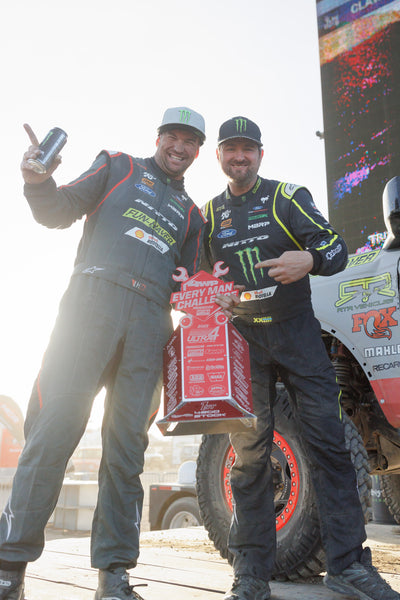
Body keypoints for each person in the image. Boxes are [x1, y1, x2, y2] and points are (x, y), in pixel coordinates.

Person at [0, 107, 234, 600]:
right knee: (52, 433)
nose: (179, 146)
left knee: (127, 450)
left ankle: (114, 576)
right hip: (90, 308)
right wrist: (36, 181)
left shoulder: (193, 215)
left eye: (190, 141)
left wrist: (213, 296)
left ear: (198, 152)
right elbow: (56, 211)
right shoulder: (117, 165)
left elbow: (190, 286)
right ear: (158, 138)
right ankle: (9, 568)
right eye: (173, 135)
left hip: (151, 325)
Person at [201, 116, 400, 600]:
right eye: (231, 149)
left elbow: (336, 248)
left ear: (260, 155)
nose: (240, 156)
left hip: (300, 339)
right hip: (244, 346)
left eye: (248, 148)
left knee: (331, 449)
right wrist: (212, 294)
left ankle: (349, 566)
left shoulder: (287, 198)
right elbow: (192, 278)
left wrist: (307, 260)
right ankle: (250, 575)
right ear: (221, 157)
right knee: (249, 461)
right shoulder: (206, 215)